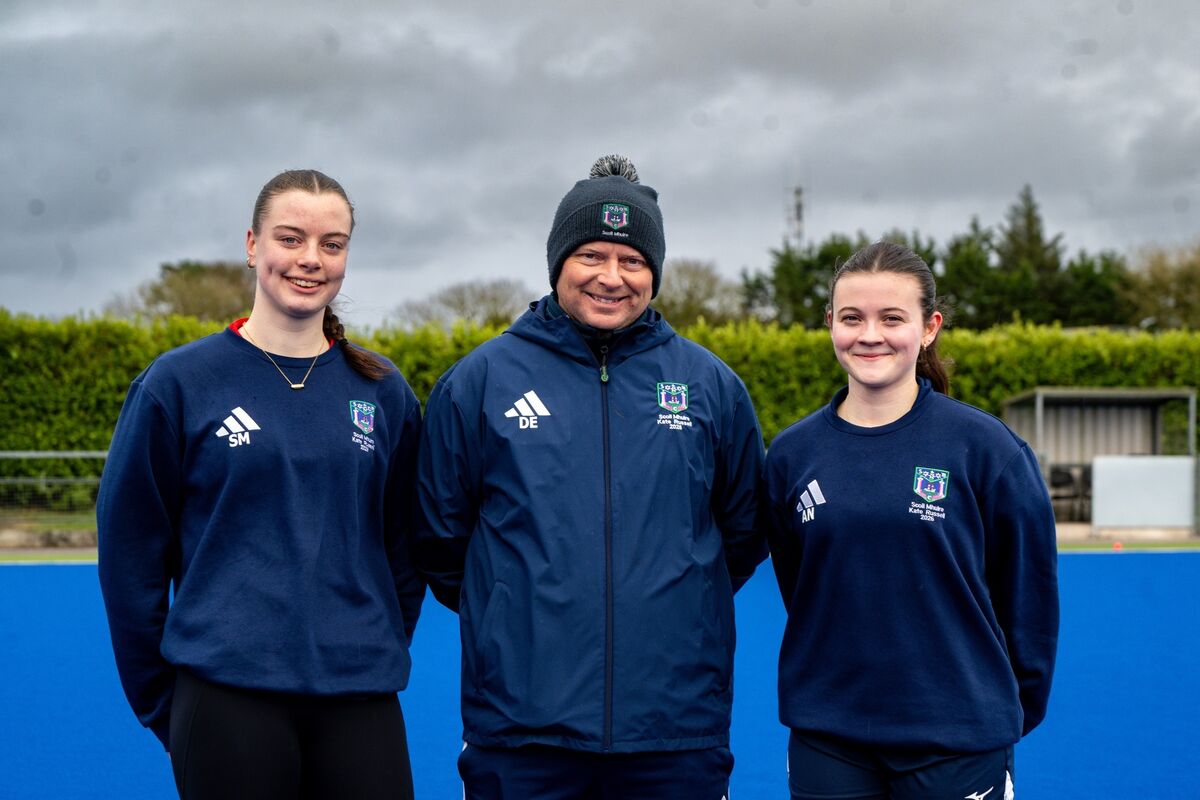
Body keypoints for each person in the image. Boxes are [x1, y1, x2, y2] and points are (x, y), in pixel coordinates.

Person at [416, 155, 766, 800]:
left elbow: (741, 533)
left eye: (632, 260)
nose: (611, 277)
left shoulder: (711, 385)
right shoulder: (480, 382)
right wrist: (512, 608)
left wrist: (679, 603)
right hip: (521, 731)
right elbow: (442, 542)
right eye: (592, 256)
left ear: (654, 273)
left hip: (674, 730)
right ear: (557, 264)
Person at [96, 169, 424, 799]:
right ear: (253, 246)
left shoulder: (383, 391)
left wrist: (366, 640)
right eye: (291, 238)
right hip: (225, 702)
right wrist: (167, 701)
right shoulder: (178, 384)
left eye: (332, 244)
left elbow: (404, 549)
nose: (310, 260)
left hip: (359, 697)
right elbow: (130, 556)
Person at [761, 241, 1059, 800]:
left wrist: (997, 709)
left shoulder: (987, 449)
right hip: (829, 734)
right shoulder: (791, 455)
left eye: (892, 318)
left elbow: (1029, 599)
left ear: (929, 328)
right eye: (852, 317)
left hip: (958, 736)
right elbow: (801, 585)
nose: (869, 334)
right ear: (830, 324)